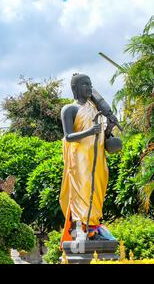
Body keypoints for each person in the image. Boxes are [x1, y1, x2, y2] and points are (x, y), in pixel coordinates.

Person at [59, 73, 117, 244]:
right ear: (75, 88)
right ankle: (84, 226)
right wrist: (90, 132)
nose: (89, 88)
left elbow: (103, 135)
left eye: (90, 84)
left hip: (97, 157)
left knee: (97, 188)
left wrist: (109, 128)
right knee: (83, 189)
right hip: (80, 159)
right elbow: (68, 136)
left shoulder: (95, 110)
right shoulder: (69, 109)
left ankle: (94, 224)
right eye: (85, 84)